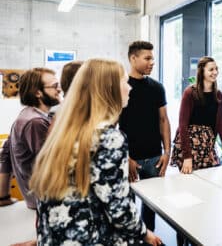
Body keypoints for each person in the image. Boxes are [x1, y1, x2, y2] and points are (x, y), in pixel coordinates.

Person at [29, 58, 163, 245]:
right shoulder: (109, 139)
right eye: (125, 82)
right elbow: (118, 209)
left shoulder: (64, 131)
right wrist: (145, 233)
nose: (130, 88)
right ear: (109, 89)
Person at [119, 40, 171, 231]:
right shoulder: (121, 88)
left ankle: (149, 237)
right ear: (133, 58)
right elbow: (113, 126)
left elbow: (163, 120)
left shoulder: (157, 87)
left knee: (151, 206)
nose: (152, 62)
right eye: (147, 58)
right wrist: (125, 156)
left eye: (153, 58)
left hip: (154, 157)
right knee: (127, 204)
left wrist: (167, 152)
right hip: (129, 158)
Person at [0, 68, 61, 209]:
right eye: (54, 86)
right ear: (38, 93)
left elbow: (6, 154)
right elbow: (53, 164)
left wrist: (3, 196)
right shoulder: (35, 122)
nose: (59, 90)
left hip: (37, 200)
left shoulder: (27, 115)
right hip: (44, 202)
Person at [171, 56, 222, 174]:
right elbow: (182, 125)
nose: (215, 72)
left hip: (207, 145)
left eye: (216, 69)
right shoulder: (190, 93)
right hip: (189, 146)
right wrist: (187, 156)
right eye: (211, 70)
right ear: (202, 71)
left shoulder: (218, 95)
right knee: (189, 183)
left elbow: (221, 123)